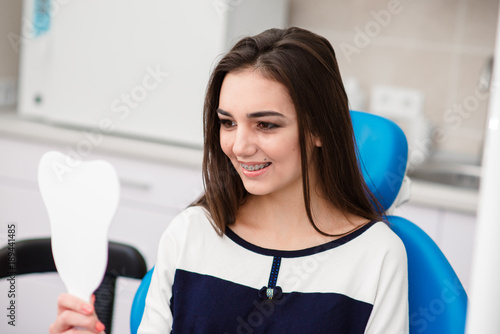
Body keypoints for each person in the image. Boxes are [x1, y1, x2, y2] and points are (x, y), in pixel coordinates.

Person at [50, 27, 408, 334]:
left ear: (318, 128)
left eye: (266, 124)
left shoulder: (376, 257)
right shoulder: (191, 233)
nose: (239, 146)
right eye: (227, 122)